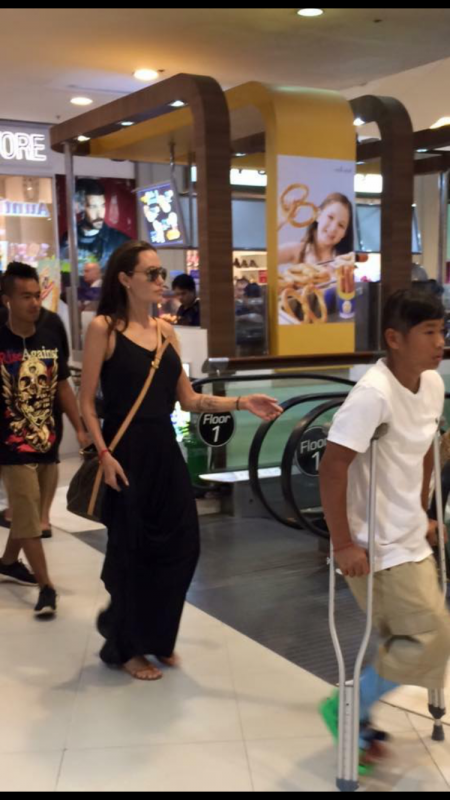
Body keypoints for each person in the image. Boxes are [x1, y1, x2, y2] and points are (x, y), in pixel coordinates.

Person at [80, 240, 282, 680]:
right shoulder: (103, 329)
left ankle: (157, 636)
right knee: (132, 551)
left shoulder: (166, 332)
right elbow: (87, 402)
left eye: (161, 274)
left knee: (182, 545)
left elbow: (189, 400)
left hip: (163, 450)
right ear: (125, 279)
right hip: (125, 452)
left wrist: (242, 402)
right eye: (151, 274)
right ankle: (126, 646)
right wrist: (104, 453)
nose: (161, 282)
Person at [319, 287, 450, 770]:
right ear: (395, 338)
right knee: (432, 635)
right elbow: (332, 467)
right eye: (429, 332)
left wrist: (422, 511)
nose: (440, 342)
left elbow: (423, 452)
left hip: (409, 536)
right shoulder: (372, 395)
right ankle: (348, 706)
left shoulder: (431, 384)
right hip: (374, 546)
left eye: (442, 331)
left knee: (418, 634)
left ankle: (357, 714)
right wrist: (342, 544)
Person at [0, 263, 88, 616]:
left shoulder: (50, 333)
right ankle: (47, 587)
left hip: (47, 438)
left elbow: (63, 384)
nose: (34, 303)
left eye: (37, 295)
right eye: (26, 297)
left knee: (32, 512)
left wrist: (80, 427)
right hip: (10, 444)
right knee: (28, 514)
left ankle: (8, 562)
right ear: (7, 300)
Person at [60, 179, 130, 269]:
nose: (100, 214)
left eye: (103, 205)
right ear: (79, 207)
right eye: (93, 207)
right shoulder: (67, 239)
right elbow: (63, 270)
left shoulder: (120, 241)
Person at [278, 192, 354, 267]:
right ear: (318, 215)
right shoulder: (297, 250)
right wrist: (281, 219)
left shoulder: (345, 262)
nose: (333, 228)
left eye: (341, 225)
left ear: (345, 233)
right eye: (330, 217)